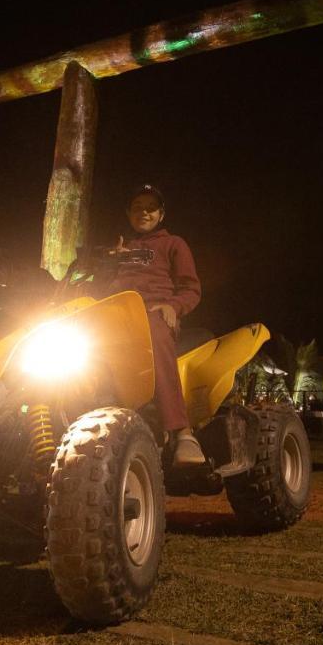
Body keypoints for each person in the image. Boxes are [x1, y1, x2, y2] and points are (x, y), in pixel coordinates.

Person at [108, 185, 205, 466]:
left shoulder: (174, 244)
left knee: (152, 328)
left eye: (151, 207)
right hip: (116, 318)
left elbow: (191, 289)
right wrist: (108, 264)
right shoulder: (118, 250)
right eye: (138, 207)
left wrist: (173, 306)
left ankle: (182, 432)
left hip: (154, 315)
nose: (144, 212)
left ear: (161, 214)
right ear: (128, 213)